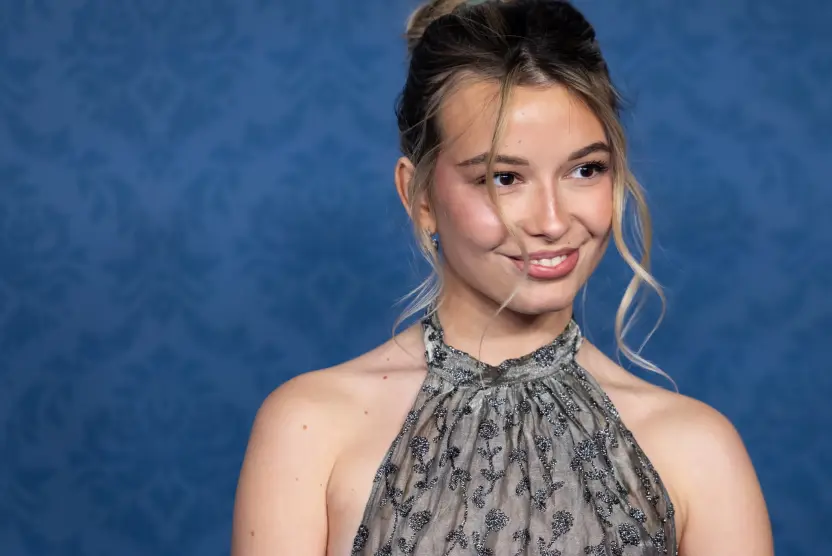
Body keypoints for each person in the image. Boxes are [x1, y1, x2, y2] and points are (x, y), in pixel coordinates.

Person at [231, 0, 773, 554]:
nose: (553, 222)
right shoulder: (310, 429)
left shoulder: (699, 450)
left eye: (585, 170)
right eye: (504, 178)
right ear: (419, 197)